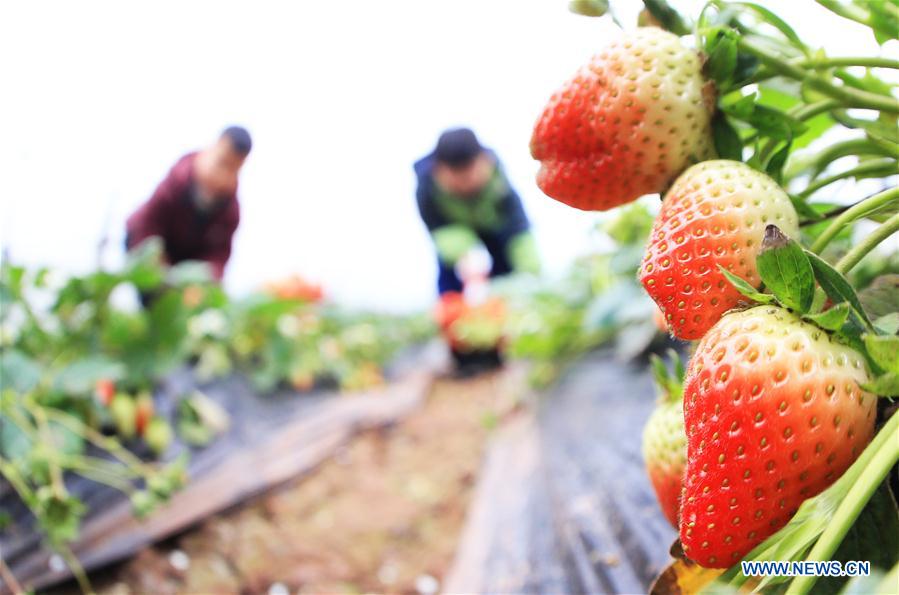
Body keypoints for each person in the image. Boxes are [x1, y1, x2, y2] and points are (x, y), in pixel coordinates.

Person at [414, 127, 539, 296]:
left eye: (469, 173)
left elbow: (518, 228)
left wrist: (530, 274)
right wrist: (469, 258)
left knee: (511, 280)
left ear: (484, 161)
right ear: (439, 170)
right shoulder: (426, 189)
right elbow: (441, 230)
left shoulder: (498, 180)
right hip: (455, 238)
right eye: (456, 176)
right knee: (452, 282)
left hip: (496, 231)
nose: (465, 184)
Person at [125, 126, 252, 281]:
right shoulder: (177, 180)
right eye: (221, 163)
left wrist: (204, 280)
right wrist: (157, 262)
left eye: (232, 170)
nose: (223, 176)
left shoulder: (230, 212)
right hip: (144, 248)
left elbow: (219, 256)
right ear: (213, 148)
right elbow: (147, 224)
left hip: (184, 275)